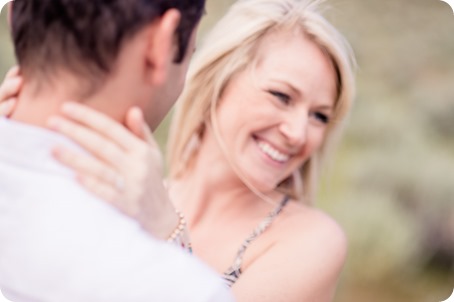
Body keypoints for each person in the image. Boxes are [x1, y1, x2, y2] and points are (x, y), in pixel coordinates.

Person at [0, 0, 356, 301]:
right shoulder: (127, 189)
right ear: (220, 78)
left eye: (320, 116)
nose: (297, 133)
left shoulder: (312, 241)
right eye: (281, 96)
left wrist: (169, 233)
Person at [0, 0, 234, 301]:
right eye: (191, 52)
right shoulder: (176, 287)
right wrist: (172, 239)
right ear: (160, 44)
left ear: (16, 14)